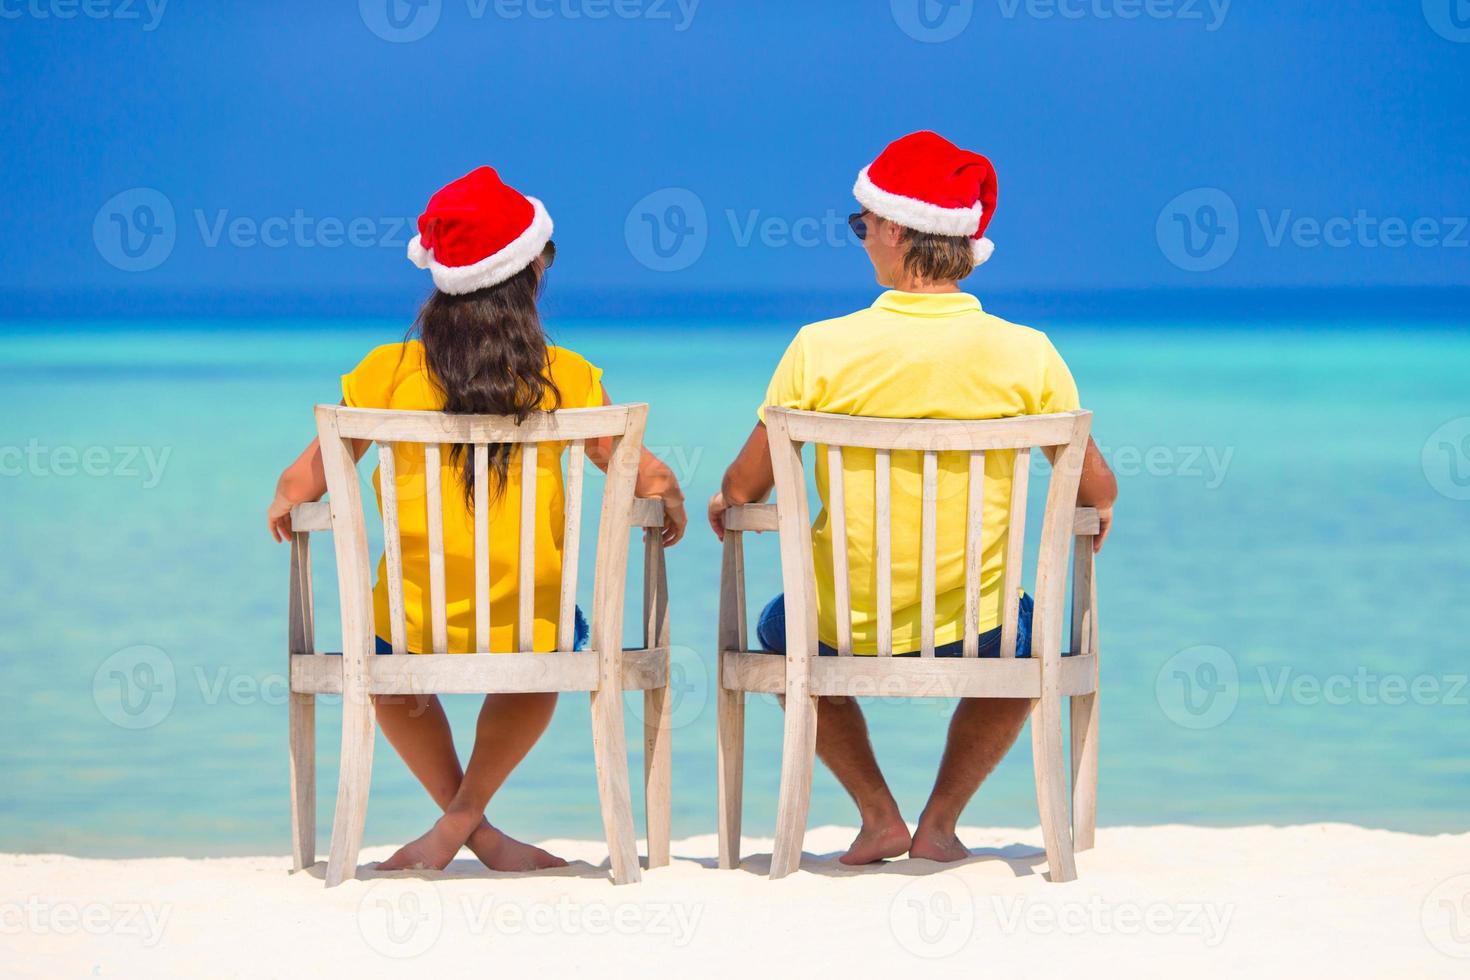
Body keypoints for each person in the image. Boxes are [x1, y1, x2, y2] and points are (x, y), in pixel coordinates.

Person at [707, 132, 1117, 865]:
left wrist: (722, 503)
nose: (861, 238)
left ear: (895, 229)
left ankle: (879, 815)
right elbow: (1098, 489)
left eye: (861, 225)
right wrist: (1102, 505)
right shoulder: (1028, 354)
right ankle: (939, 822)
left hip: (838, 625)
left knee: (780, 625)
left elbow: (743, 487)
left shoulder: (819, 349)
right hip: (979, 627)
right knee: (1030, 638)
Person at [266, 167, 687, 872]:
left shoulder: (384, 374)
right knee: (553, 646)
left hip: (407, 624)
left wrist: (285, 498)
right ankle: (473, 825)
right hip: (532, 625)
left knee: (382, 658)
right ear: (531, 274)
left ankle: (461, 824)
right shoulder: (570, 377)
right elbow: (642, 470)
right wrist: (668, 493)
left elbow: (300, 481)